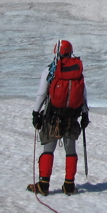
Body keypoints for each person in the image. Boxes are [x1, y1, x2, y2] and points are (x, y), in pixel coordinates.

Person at [28, 39, 89, 196]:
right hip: (72, 116)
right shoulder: (77, 70)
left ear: (56, 53)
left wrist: (36, 113)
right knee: (71, 150)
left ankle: (43, 184)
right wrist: (85, 114)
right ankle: (69, 185)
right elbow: (82, 93)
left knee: (49, 148)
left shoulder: (51, 70)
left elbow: (42, 93)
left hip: (53, 115)